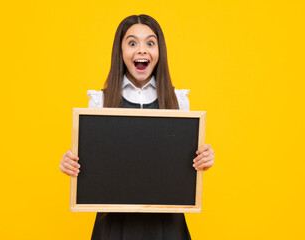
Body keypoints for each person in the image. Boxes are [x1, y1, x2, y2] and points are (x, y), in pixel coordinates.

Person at [59, 14, 215, 240]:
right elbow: (92, 161)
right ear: (120, 52)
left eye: (150, 43)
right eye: (132, 43)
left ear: (159, 52)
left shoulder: (178, 100)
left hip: (167, 224)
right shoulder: (100, 102)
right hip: (114, 225)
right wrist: (71, 163)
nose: (142, 50)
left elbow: (183, 163)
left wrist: (202, 159)